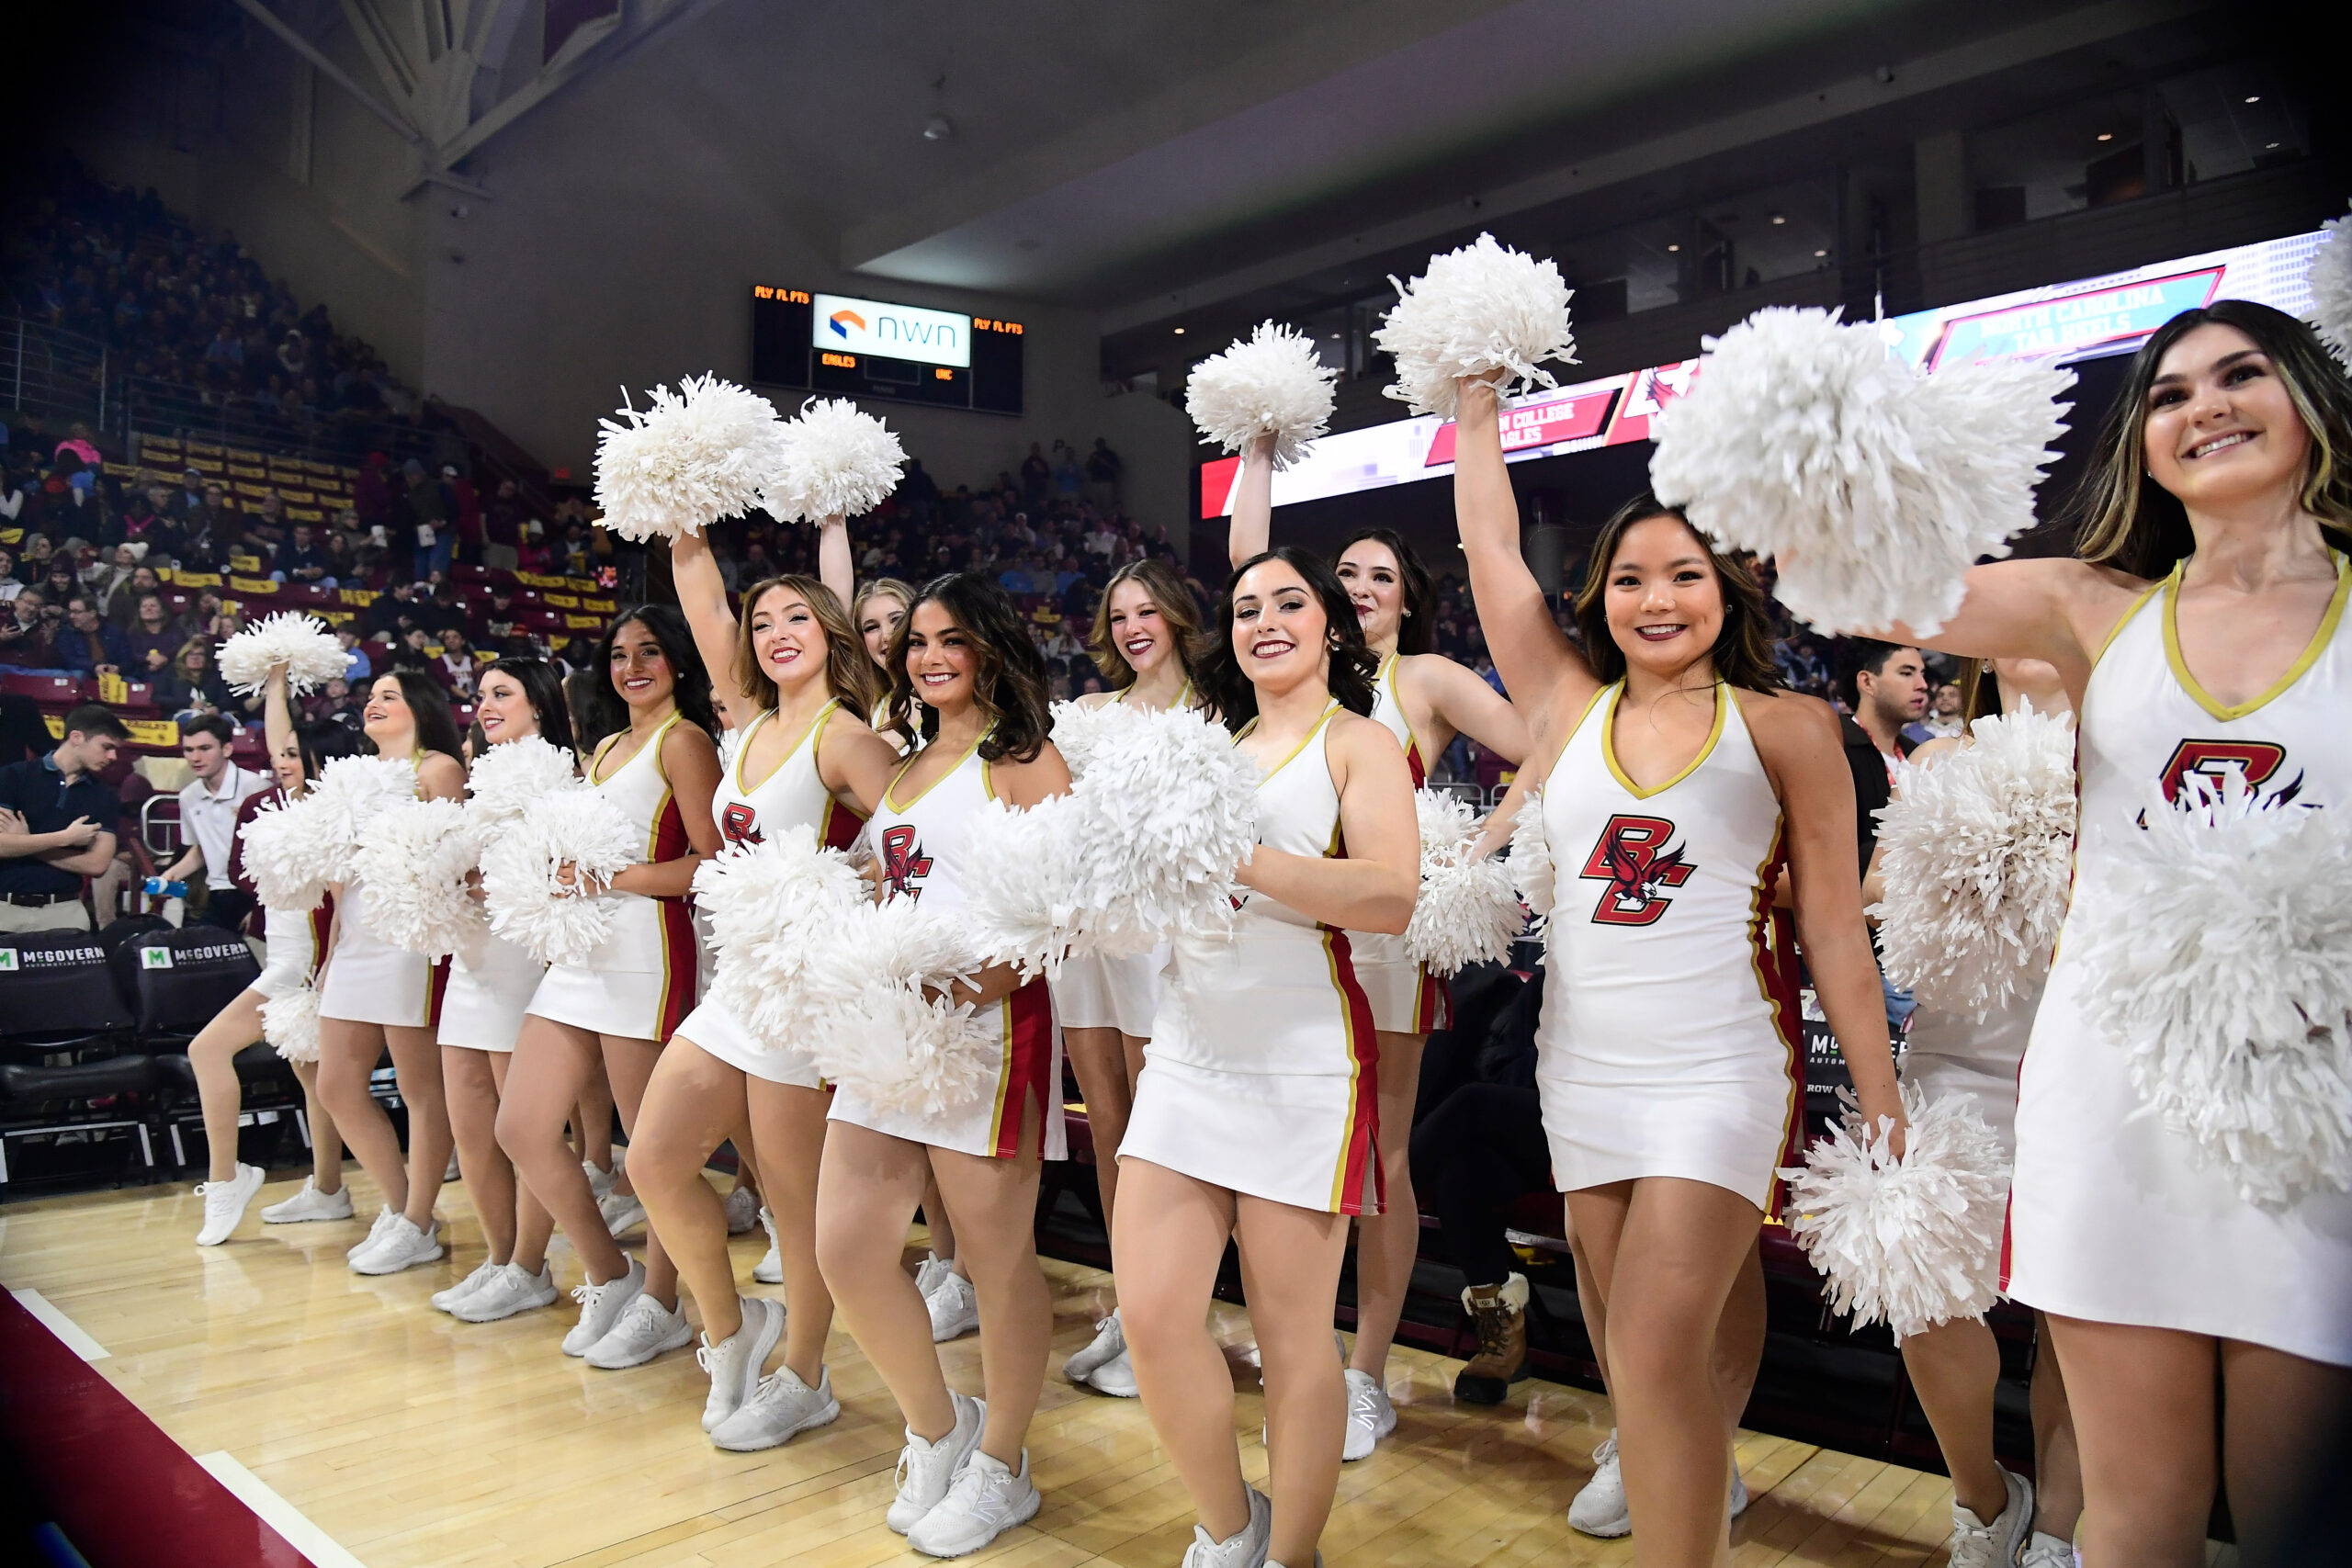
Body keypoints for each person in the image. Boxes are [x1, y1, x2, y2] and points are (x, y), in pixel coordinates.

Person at [1859, 299, 2352, 1566]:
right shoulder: (2092, 606)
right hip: (2112, 1101)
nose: (2207, 406)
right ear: (2142, 444)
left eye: (2242, 375)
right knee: (2137, 1515)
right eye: (2171, 393)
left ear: (2311, 399)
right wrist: (1855, 428)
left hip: (2312, 1119)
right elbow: (1860, 585)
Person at [1454, 372, 1901, 1566]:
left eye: (1685, 573)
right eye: (1632, 576)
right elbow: (1489, 541)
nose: (1658, 598)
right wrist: (1476, 394)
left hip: (1723, 1068)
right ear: (1597, 593)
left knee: (1653, 1351)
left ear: (1730, 587)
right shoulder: (1562, 702)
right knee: (1631, 1345)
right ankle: (1701, 1476)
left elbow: (1838, 934)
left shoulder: (1793, 728)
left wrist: (1886, 1101)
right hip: (1583, 1067)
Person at [1115, 545, 1418, 1568]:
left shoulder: (1359, 744)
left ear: (1332, 625)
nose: (1264, 620)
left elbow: (1389, 895)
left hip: (1303, 1062)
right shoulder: (1210, 743)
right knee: (1152, 1315)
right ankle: (1228, 1529)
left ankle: (1293, 1553)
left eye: (1289, 602)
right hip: (1189, 1049)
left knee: (1291, 1338)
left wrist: (1239, 857)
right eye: (1245, 608)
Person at [1227, 441, 1531, 1458]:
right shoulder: (1286, 684)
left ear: (1408, 600)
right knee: (1291, 1146)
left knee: (1382, 1160)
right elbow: (1244, 563)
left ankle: (1367, 1374)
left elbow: (1552, 740)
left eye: (1379, 578)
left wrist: (1476, 849)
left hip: (1383, 943)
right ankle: (1303, 1346)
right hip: (1275, 944)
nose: (1358, 589)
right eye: (1344, 575)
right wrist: (1255, 453)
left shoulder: (1427, 679)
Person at [812, 572, 1070, 1558]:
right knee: (847, 1247)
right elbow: (910, 879)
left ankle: (1002, 1463)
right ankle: (936, 1427)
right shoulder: (909, 764)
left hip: (987, 1029)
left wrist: (970, 988)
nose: (927, 656)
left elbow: (1060, 915)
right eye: (915, 641)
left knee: (999, 1263)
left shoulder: (1027, 759)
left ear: (991, 648)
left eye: (949, 639)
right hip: (890, 1026)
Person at [628, 521, 896, 1450]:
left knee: (795, 1206)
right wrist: (683, 519)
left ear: (830, 633)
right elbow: (701, 600)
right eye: (764, 619)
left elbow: (917, 834)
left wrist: (853, 885)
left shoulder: (846, 736)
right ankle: (734, 1331)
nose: (777, 629)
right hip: (736, 983)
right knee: (653, 1161)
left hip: (802, 999)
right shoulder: (745, 725)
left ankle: (808, 1375)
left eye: (796, 616)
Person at [1881, 657, 2082, 1568]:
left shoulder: (2119, 756)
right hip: (1953, 1046)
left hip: (2084, 1051)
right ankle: (1986, 1498)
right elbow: (1875, 886)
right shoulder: (1935, 762)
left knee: (2077, 1310)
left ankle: (2060, 1533)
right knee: (1918, 1285)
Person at [496, 606, 720, 1370]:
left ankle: (663, 1302)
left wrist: (606, 877)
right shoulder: (602, 750)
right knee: (521, 1126)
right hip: (581, 950)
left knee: (648, 1146)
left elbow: (708, 861)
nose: (633, 666)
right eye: (620, 654)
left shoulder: (685, 741)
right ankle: (610, 1272)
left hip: (646, 954)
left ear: (677, 663)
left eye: (650, 651)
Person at [1048, 557, 1206, 1400]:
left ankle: (1167, 1312)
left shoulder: (1214, 711)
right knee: (1108, 1122)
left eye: (1147, 610)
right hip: (1088, 934)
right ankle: (1127, 1300)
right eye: (1118, 617)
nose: (1133, 627)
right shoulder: (1084, 712)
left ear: (1179, 614)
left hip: (1160, 934)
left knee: (1157, 1132)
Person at [186, 683, 361, 1245]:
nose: (281, 762)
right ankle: (329, 1189)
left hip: (305, 963)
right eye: (278, 756)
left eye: (294, 756)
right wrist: (278, 678)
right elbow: (278, 732)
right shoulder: (277, 805)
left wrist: (329, 966)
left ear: (321, 763)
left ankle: (226, 1179)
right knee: (313, 1079)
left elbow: (338, 899)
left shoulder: (333, 814)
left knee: (206, 1048)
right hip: (287, 955)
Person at [312, 671, 468, 1276]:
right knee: (335, 1086)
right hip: (355, 938)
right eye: (371, 696)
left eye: (389, 695)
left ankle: (417, 1216)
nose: (373, 703)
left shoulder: (438, 769)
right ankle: (403, 1208)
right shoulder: (355, 774)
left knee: (420, 1089)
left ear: (421, 708)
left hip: (411, 942)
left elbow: (453, 864)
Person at [432, 660, 571, 1326]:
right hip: (472, 954)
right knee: (471, 1125)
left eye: (502, 694)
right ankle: (499, 1256)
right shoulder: (479, 779)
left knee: (526, 1129)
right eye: (480, 695)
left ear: (538, 707)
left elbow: (565, 868)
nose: (485, 705)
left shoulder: (560, 778)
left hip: (522, 956)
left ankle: (529, 1263)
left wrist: (514, 880)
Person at [0, 705, 126, 933]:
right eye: (106, 747)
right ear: (76, 737)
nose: (113, 757)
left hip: (65, 912)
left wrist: (27, 842)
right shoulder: (12, 777)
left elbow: (97, 864)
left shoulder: (105, 796)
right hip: (5, 909)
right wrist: (64, 838)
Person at [157, 714, 270, 933]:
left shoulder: (256, 788)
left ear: (226, 749)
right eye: (189, 750)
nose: (195, 757)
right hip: (217, 892)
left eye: (204, 748)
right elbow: (200, 850)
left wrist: (261, 908)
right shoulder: (188, 797)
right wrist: (171, 875)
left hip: (256, 894)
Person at [55, 595, 131, 678]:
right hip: (86, 672)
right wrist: (93, 667)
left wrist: (118, 668)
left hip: (113, 674)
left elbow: (127, 659)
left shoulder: (114, 632)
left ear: (92, 614)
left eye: (77, 612)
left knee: (131, 681)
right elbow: (69, 660)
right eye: (70, 612)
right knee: (79, 675)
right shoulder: (67, 633)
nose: (71, 616)